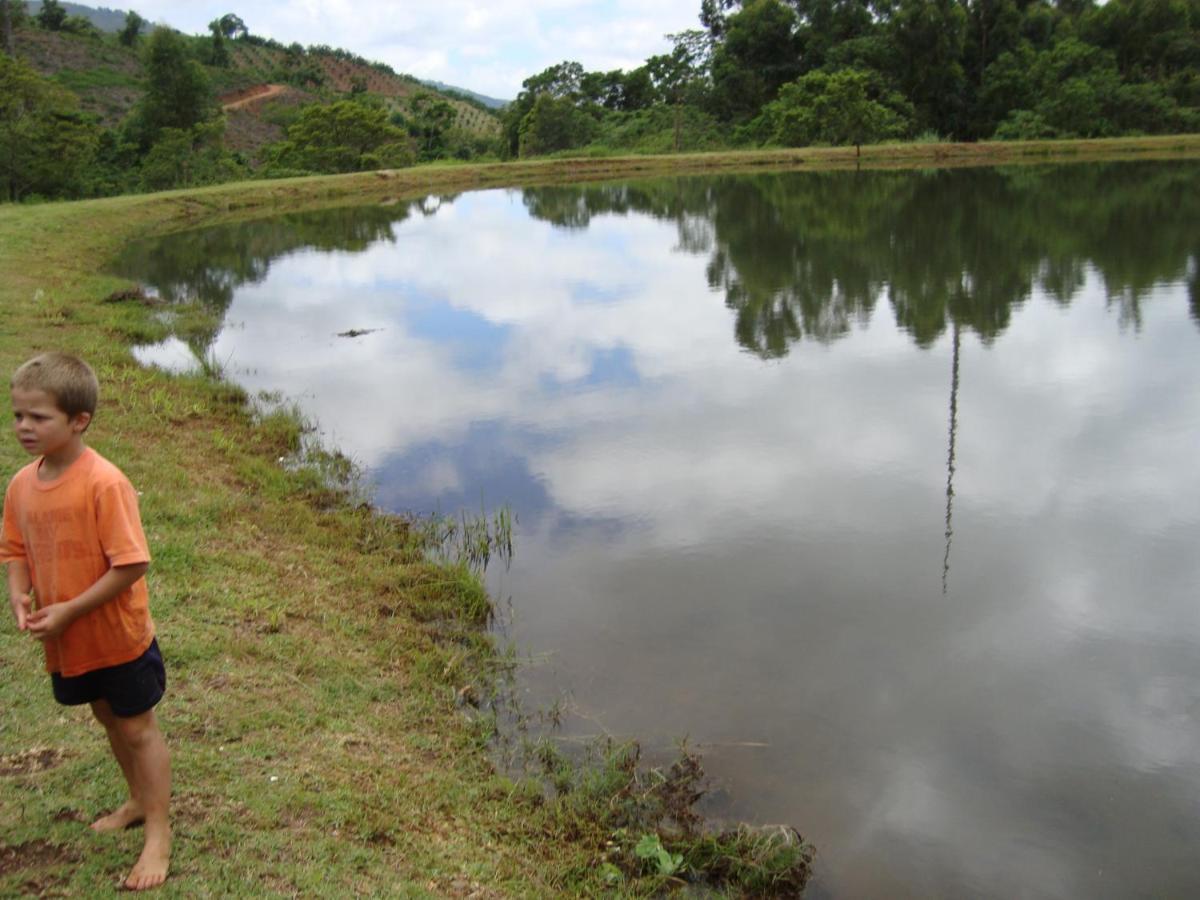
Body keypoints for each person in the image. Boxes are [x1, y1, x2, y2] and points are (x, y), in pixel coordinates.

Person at [1, 352, 170, 891]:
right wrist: (19, 593)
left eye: (39, 417)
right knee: (105, 715)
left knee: (138, 727)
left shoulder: (104, 483)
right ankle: (139, 802)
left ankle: (159, 833)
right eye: (18, 416)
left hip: (117, 635)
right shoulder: (21, 485)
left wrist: (72, 607)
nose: (25, 427)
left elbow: (133, 561)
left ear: (79, 421)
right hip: (70, 640)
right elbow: (14, 547)